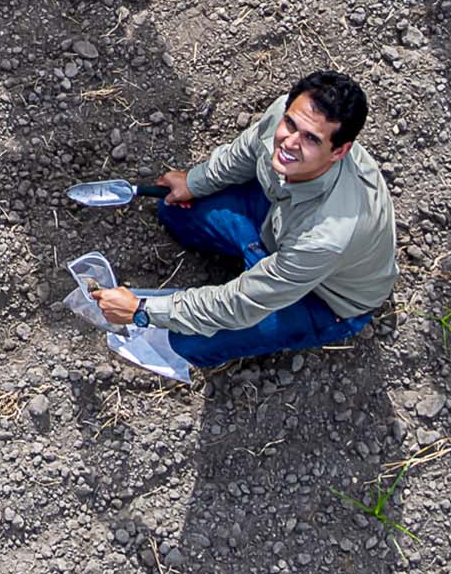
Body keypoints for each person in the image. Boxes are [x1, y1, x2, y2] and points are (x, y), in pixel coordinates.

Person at [86, 72, 392, 371]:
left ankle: (267, 279)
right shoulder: (284, 115)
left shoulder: (327, 236)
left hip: (322, 297)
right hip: (280, 221)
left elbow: (240, 304)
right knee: (175, 208)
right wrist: (194, 181)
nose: (289, 142)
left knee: (187, 343)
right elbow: (245, 153)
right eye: (290, 124)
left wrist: (142, 311)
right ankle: (258, 260)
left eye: (311, 139)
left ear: (340, 151)